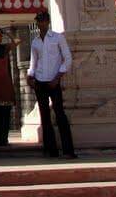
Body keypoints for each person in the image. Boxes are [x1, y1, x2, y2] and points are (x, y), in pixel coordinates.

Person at [28, 11, 76, 159]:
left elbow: (67, 59)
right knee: (45, 116)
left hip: (54, 80)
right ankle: (51, 150)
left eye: (43, 21)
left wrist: (58, 76)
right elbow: (33, 61)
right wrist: (30, 75)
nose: (41, 24)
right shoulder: (35, 41)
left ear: (48, 22)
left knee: (60, 113)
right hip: (40, 80)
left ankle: (68, 150)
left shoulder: (57, 37)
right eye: (38, 21)